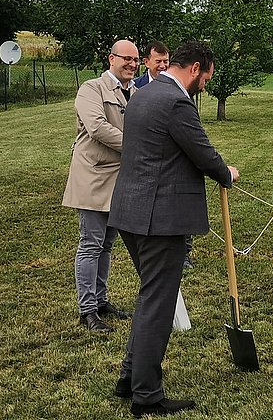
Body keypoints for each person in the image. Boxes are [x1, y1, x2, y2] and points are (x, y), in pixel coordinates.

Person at [107, 40, 239, 417]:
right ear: (195, 68)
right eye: (206, 78)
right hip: (158, 220)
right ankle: (146, 395)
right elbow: (202, 152)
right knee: (158, 304)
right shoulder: (177, 101)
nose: (206, 86)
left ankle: (129, 377)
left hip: (130, 213)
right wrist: (225, 173)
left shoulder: (145, 95)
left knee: (150, 296)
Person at [62, 40, 139, 333]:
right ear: (111, 59)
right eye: (126, 59)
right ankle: (87, 311)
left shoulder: (136, 92)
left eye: (136, 60)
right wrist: (137, 146)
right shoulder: (90, 89)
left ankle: (101, 301)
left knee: (107, 245)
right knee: (91, 244)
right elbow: (96, 128)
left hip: (120, 179)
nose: (132, 64)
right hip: (93, 178)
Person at [133, 41, 195, 269]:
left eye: (165, 61)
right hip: (147, 162)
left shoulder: (182, 89)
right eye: (157, 61)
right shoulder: (136, 87)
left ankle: (184, 252)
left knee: (183, 201)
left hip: (174, 160)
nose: (161, 65)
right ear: (146, 62)